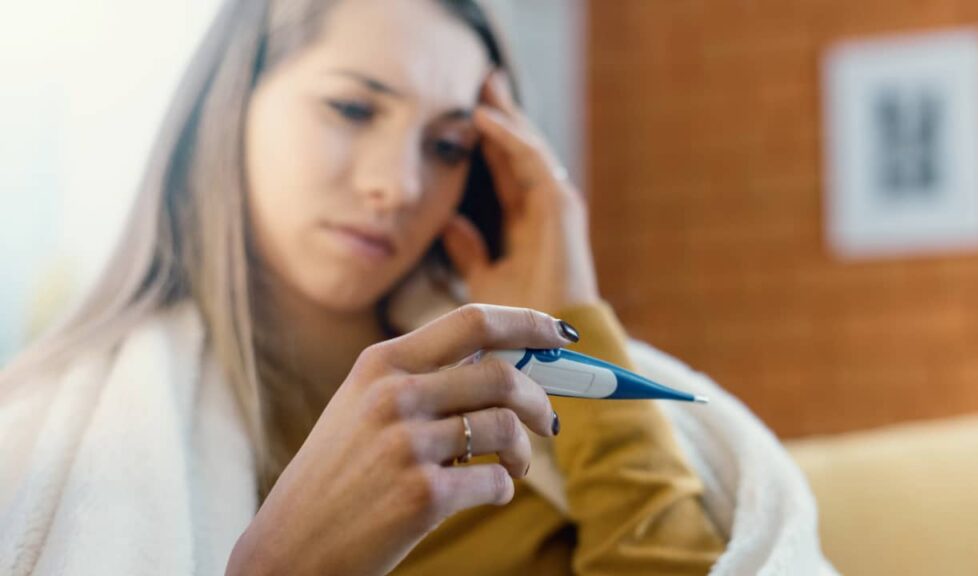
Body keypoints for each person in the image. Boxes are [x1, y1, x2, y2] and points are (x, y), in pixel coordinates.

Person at [0, 0, 725, 574]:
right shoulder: (50, 446)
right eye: (352, 109)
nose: (399, 185)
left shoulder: (512, 417)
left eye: (447, 147)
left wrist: (571, 309)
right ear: (234, 102)